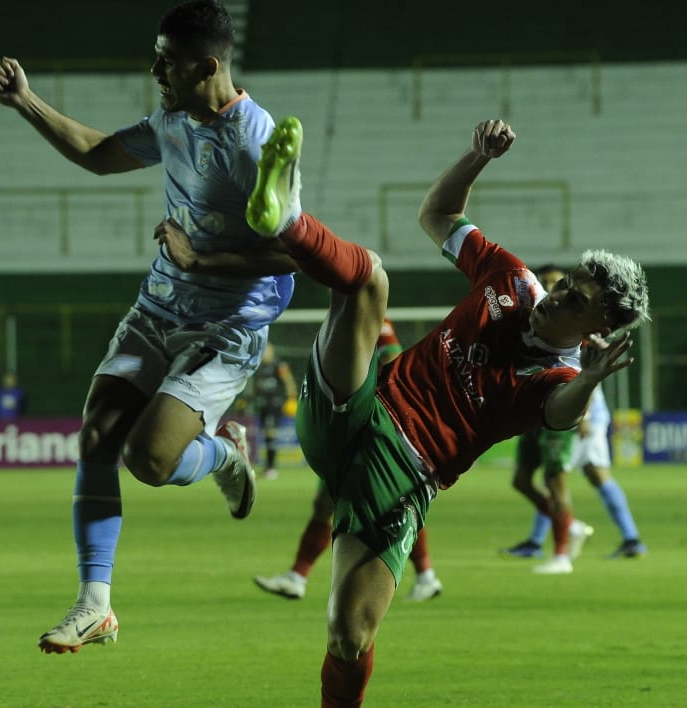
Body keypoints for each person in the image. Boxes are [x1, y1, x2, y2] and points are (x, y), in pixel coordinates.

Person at [244, 117, 650, 705]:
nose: (557, 295)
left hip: (404, 479)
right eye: (567, 284)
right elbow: (436, 215)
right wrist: (475, 157)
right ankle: (285, 215)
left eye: (577, 301)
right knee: (368, 280)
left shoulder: (559, 378)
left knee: (349, 635)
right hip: (361, 407)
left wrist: (588, 379)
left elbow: (561, 414)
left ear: (600, 327)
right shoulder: (510, 278)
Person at [0, 0, 297, 654]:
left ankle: (222, 453)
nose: (156, 68)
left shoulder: (257, 143)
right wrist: (28, 103)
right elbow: (102, 155)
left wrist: (201, 256)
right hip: (161, 306)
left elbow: (297, 252)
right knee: (97, 435)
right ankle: (93, 605)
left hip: (226, 325)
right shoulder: (173, 118)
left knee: (148, 460)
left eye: (169, 59)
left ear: (208, 65)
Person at [254, 318, 443, 601]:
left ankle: (298, 577)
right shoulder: (340, 320)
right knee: (341, 504)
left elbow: (392, 361)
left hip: (372, 429)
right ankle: (297, 577)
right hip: (349, 431)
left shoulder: (377, 321)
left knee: (389, 504)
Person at [501, 265, 647, 571]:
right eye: (550, 285)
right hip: (539, 408)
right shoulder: (538, 318)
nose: (555, 293)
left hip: (574, 411)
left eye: (561, 284)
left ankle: (567, 550)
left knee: (573, 478)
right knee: (525, 480)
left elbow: (584, 374)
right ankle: (563, 531)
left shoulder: (581, 327)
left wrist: (583, 414)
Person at [245, 341, 298, 479]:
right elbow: (257, 385)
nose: (264, 353)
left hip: (274, 403)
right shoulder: (260, 366)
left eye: (266, 350)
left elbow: (288, 381)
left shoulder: (278, 365)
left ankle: (271, 467)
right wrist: (250, 399)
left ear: (272, 351)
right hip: (262, 403)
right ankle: (268, 466)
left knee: (270, 433)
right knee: (265, 434)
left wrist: (291, 398)